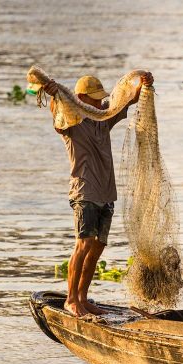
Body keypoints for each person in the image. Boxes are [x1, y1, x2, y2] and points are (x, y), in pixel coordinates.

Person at [42, 71, 154, 317]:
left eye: (99, 99)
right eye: (93, 99)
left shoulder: (103, 118)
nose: (99, 103)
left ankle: (83, 297)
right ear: (80, 98)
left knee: (98, 246)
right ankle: (71, 300)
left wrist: (143, 83)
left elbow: (127, 100)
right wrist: (54, 94)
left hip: (106, 192)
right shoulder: (71, 123)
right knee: (83, 245)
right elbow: (57, 111)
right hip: (85, 191)